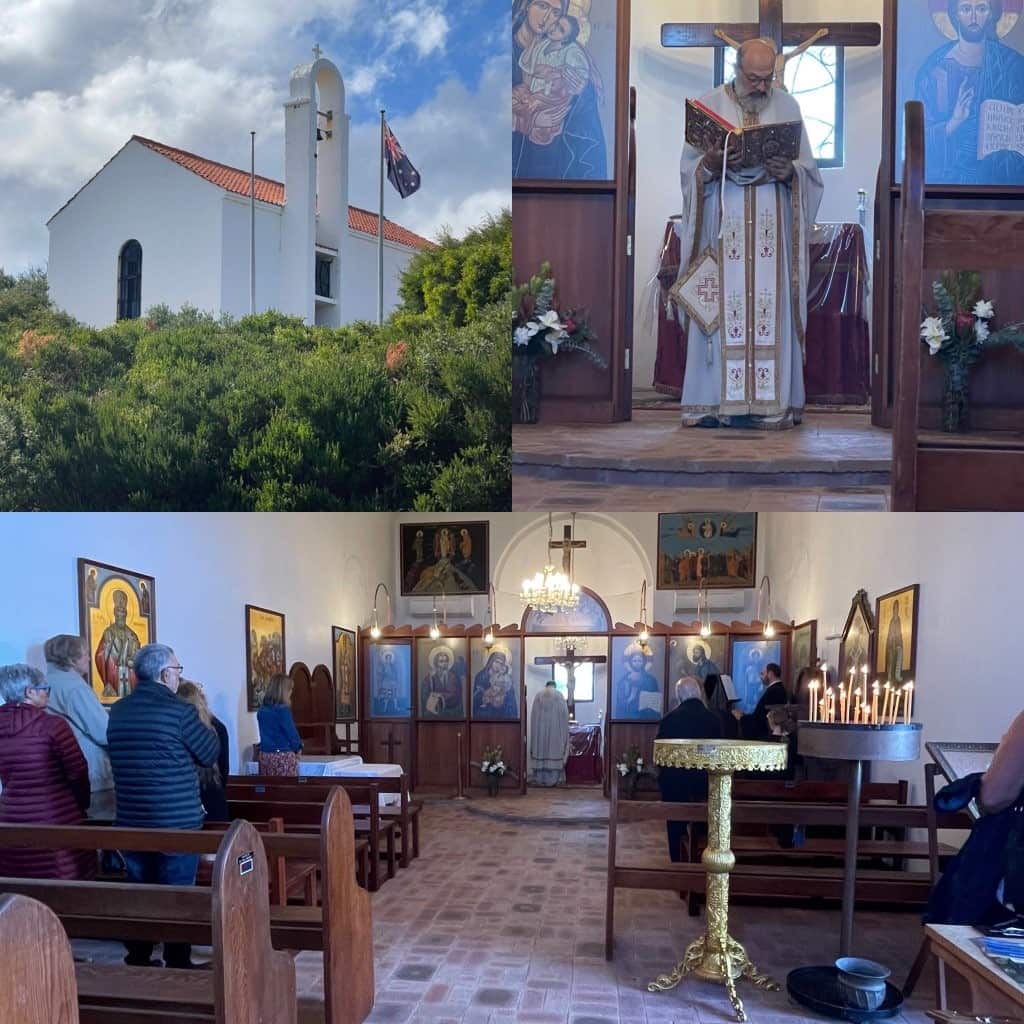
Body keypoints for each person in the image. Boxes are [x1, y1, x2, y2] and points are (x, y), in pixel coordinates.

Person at [675, 37, 823, 429]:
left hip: (772, 228)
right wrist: (710, 163)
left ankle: (771, 404)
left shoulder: (788, 107)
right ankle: (713, 402)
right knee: (721, 306)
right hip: (723, 227)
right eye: (753, 78)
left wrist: (790, 173)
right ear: (736, 69)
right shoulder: (709, 104)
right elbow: (688, 172)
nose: (760, 86)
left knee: (771, 304)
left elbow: (809, 172)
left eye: (766, 78)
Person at [107, 643, 218, 968]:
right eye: (177, 669)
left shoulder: (119, 710)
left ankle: (138, 956)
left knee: (139, 892)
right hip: (175, 819)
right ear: (165, 673)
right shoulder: (179, 711)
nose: (178, 675)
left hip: (131, 819)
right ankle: (178, 959)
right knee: (178, 893)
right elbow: (209, 753)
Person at [0, 663, 93, 880]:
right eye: (44, 688)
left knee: (20, 887)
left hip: (10, 818)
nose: (47, 694)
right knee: (66, 886)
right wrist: (81, 806)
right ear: (29, 692)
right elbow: (78, 772)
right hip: (56, 816)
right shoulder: (52, 726)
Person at [916, 0, 1024, 185]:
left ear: (991, 13)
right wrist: (954, 122)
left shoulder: (1012, 64)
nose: (973, 17)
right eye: (966, 9)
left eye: (981, 8)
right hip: (951, 182)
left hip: (1001, 179)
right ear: (955, 14)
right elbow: (917, 138)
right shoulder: (935, 70)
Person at [512, 0, 607, 179]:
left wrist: (581, 91)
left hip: (548, 168)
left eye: (556, 12)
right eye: (542, 6)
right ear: (525, 4)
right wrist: (526, 119)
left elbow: (587, 139)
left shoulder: (569, 53)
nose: (547, 18)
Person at [43, 634, 115, 820]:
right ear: (72, 659)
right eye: (85, 654)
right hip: (91, 771)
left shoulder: (43, 683)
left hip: (59, 770)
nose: (89, 658)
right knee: (101, 828)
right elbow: (104, 732)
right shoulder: (75, 687)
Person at [656, 677, 723, 861]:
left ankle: (677, 862)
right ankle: (702, 859)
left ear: (679, 697)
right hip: (705, 785)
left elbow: (660, 756)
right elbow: (719, 754)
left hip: (676, 785)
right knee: (703, 825)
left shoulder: (669, 720)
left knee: (675, 825)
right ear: (699, 694)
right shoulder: (713, 720)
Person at [177, 681, 230, 822]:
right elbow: (224, 771)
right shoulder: (217, 728)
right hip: (213, 798)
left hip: (185, 802)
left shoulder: (176, 726)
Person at [95, 589, 142, 698]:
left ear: (126, 614)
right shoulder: (108, 632)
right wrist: (107, 649)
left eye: (123, 612)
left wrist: (133, 660)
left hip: (130, 675)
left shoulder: (132, 635)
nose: (121, 614)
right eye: (118, 612)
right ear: (114, 613)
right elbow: (99, 656)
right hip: (114, 675)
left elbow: (138, 655)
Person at [257, 673, 303, 776]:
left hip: (265, 756)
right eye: (290, 689)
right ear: (284, 691)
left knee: (268, 785)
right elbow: (291, 733)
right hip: (282, 757)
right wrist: (298, 748)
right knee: (286, 786)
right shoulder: (282, 710)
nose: (291, 692)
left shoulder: (261, 711)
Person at [529, 680, 570, 786]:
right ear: (555, 686)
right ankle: (555, 780)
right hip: (555, 733)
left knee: (541, 749)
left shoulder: (538, 696)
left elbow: (533, 717)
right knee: (554, 750)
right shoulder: (559, 695)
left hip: (540, 734)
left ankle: (539, 779)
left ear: (546, 685)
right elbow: (565, 716)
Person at [734, 661, 788, 740]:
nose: (760, 677)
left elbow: (760, 720)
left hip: (765, 734)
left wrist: (742, 718)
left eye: (762, 674)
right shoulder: (777, 689)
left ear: (770, 674)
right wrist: (744, 715)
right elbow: (761, 714)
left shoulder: (774, 691)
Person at [614, 642, 662, 719]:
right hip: (630, 717)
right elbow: (620, 703)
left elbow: (655, 700)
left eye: (639, 661)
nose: (637, 663)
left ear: (644, 662)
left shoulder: (650, 679)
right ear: (630, 662)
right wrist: (631, 697)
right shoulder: (624, 680)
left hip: (646, 717)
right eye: (634, 661)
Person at [472, 646, 518, 719]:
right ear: (491, 661)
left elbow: (511, 699)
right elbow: (476, 697)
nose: (498, 665)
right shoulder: (481, 676)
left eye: (501, 663)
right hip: (485, 714)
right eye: (496, 662)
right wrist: (485, 698)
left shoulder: (505, 678)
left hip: (501, 713)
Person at [423, 647, 464, 716]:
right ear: (436, 663)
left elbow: (456, 694)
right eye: (441, 661)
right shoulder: (429, 678)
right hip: (435, 711)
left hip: (452, 710)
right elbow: (426, 694)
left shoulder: (453, 677)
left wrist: (440, 696)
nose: (444, 664)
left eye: (446, 661)